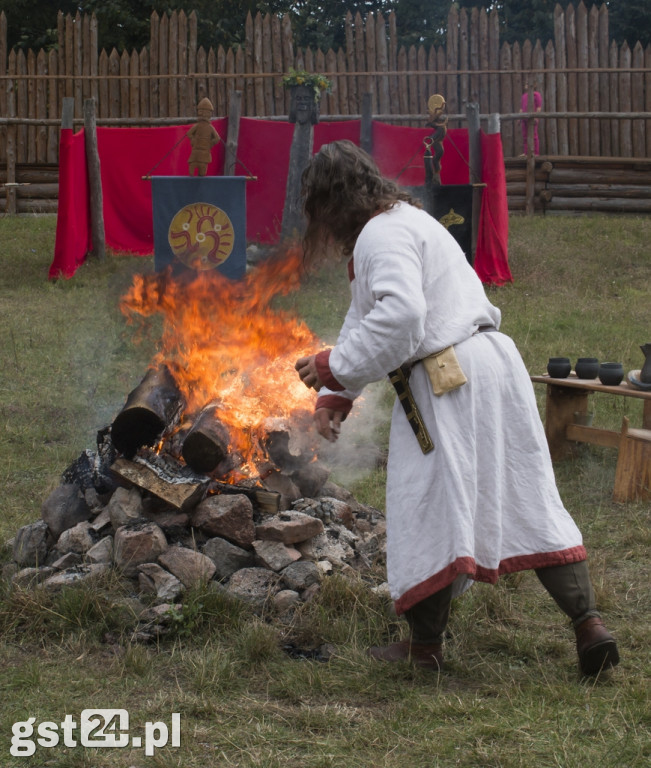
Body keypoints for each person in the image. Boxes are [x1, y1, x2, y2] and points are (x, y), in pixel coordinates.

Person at [294, 140, 619, 677]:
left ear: (331, 204)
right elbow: (365, 317)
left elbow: (401, 316)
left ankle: (427, 650)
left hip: (449, 381)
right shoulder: (405, 222)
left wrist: (333, 367)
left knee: (428, 507)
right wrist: (338, 394)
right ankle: (589, 626)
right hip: (492, 367)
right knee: (526, 496)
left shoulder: (381, 234)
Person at [520, 81, 542, 156]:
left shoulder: (536, 95)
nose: (525, 85)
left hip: (532, 118)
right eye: (525, 84)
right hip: (524, 118)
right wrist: (519, 118)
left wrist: (536, 117)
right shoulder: (524, 96)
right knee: (525, 136)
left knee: (534, 136)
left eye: (527, 84)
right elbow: (521, 108)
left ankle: (536, 153)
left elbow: (539, 108)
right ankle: (526, 153)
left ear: (533, 85)